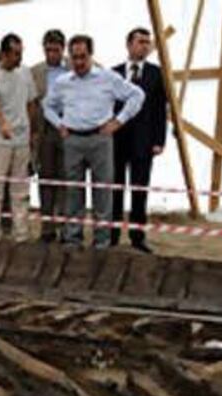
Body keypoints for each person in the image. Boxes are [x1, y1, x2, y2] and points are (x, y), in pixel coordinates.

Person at [43, 34, 145, 249]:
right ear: (69, 57)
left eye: (83, 57)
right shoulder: (63, 83)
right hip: (72, 140)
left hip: (100, 139)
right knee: (73, 192)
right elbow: (47, 105)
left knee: (102, 192)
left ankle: (102, 241)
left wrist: (118, 122)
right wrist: (58, 124)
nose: (79, 62)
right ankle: (73, 238)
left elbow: (137, 96)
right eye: (74, 57)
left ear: (91, 55)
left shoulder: (108, 78)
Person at [112, 27, 167, 254]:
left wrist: (159, 140)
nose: (144, 45)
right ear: (129, 45)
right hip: (117, 141)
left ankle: (137, 236)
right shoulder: (114, 73)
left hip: (144, 143)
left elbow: (160, 110)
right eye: (140, 41)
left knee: (139, 190)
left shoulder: (156, 73)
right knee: (114, 189)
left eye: (147, 42)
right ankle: (112, 234)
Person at [0, 33, 37, 243]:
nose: (19, 57)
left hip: (21, 139)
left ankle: (21, 233)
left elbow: (32, 102)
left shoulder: (25, 73)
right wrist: (2, 123)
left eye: (21, 53)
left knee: (20, 189)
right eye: (15, 54)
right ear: (4, 53)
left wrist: (30, 129)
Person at [32, 29, 70, 243]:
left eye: (55, 50)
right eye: (48, 50)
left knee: (65, 179)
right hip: (45, 130)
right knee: (45, 179)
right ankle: (47, 228)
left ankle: (65, 228)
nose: (52, 54)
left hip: (68, 128)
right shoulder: (36, 71)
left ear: (63, 49)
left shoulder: (74, 67)